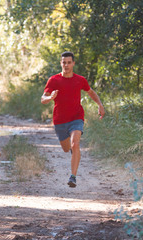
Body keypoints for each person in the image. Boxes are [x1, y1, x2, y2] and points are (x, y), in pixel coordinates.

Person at [41, 51, 105, 188]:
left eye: (69, 62)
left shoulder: (80, 80)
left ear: (73, 63)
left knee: (75, 144)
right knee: (66, 148)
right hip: (60, 120)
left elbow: (91, 92)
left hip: (77, 118)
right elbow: (43, 99)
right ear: (61, 63)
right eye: (64, 62)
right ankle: (72, 149)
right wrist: (50, 97)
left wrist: (100, 104)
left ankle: (73, 177)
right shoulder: (53, 80)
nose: (66, 65)